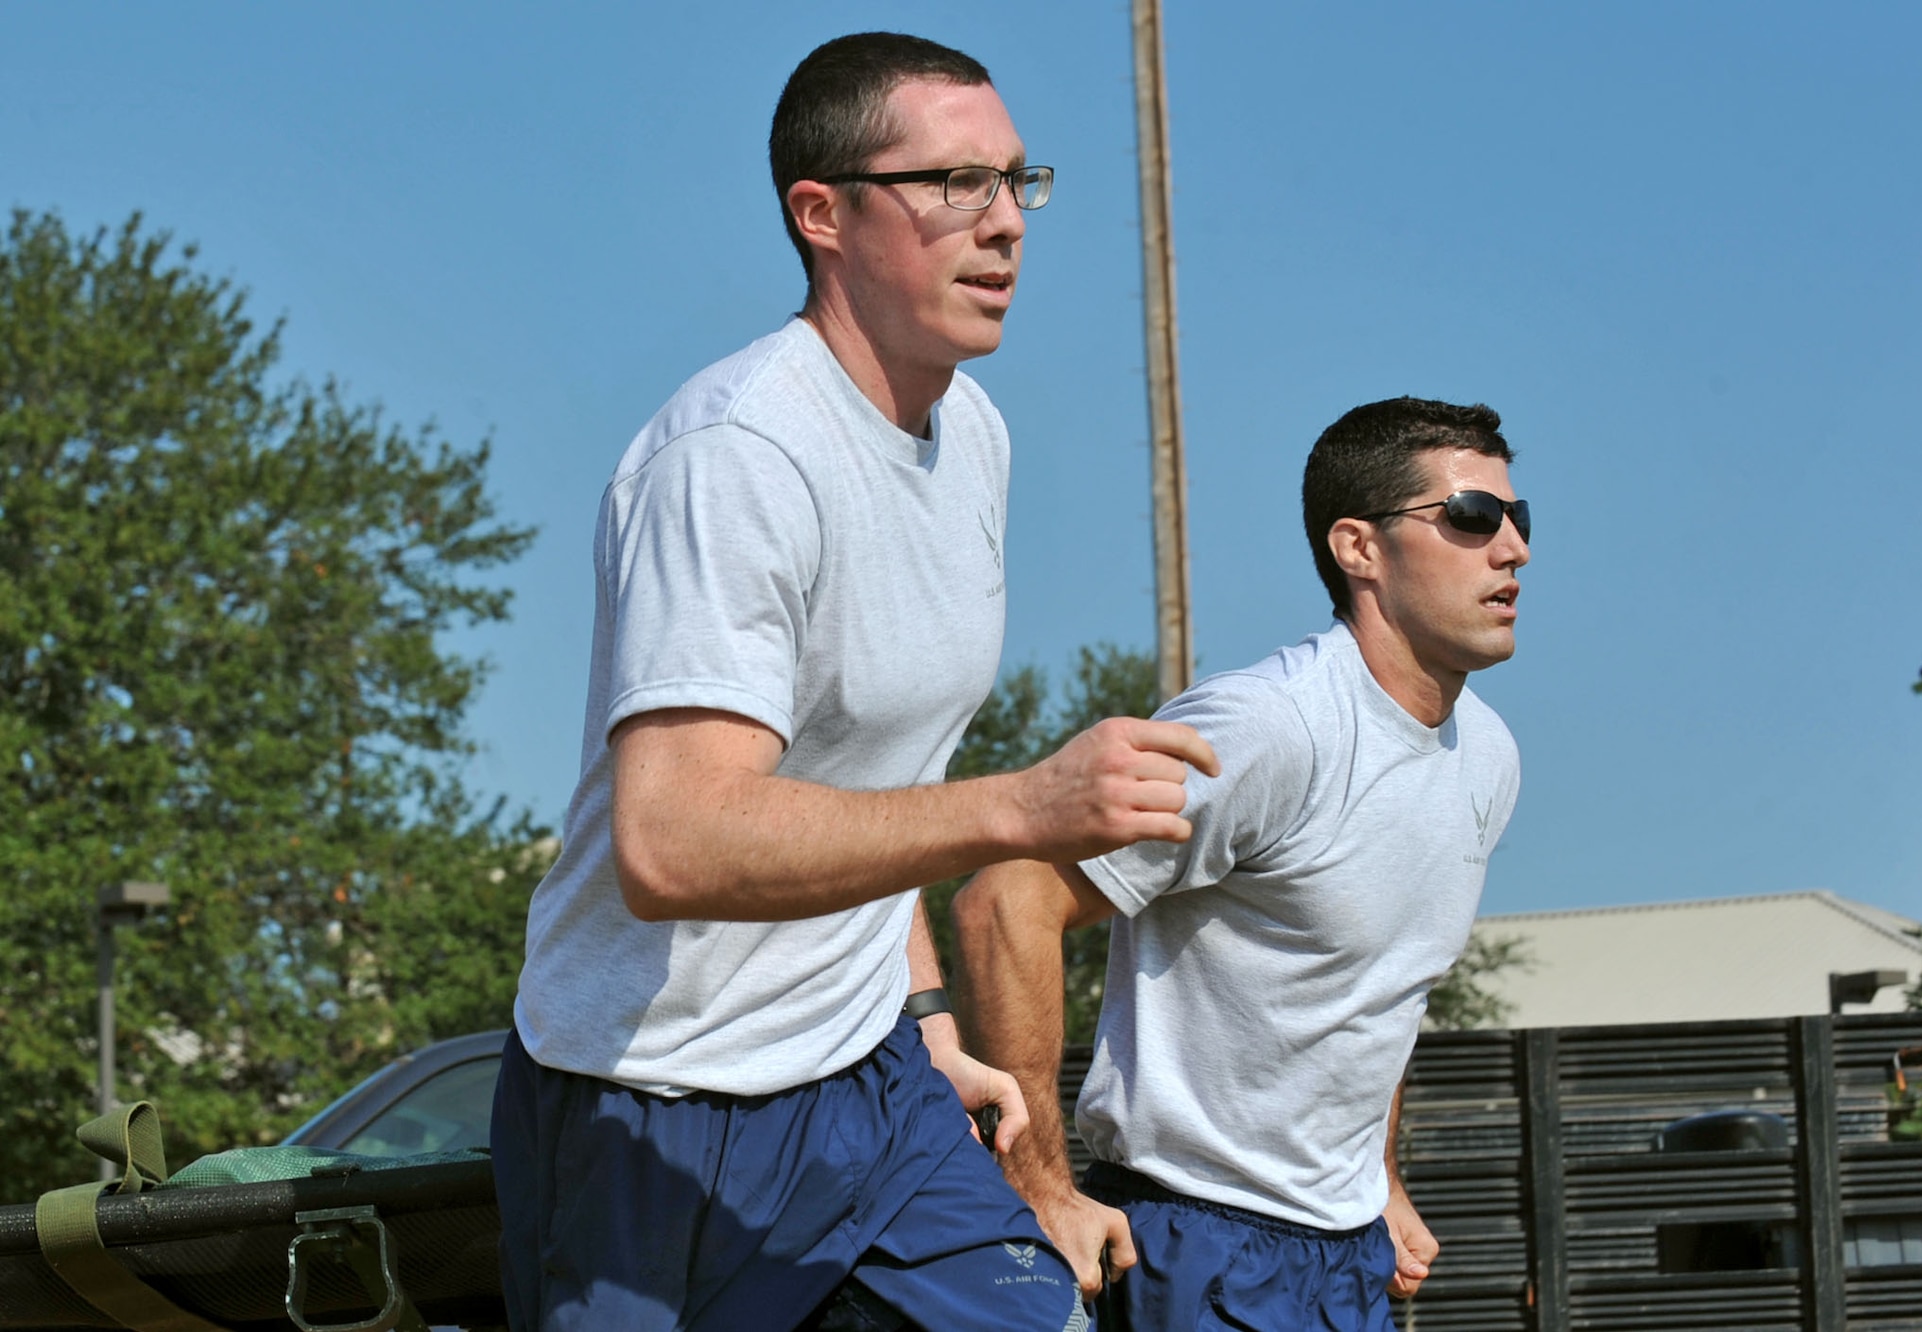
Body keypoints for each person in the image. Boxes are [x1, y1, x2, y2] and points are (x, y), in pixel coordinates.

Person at [488, 31, 1218, 1332]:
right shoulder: (736, 458)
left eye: (1015, 182)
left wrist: (930, 1022)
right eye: (949, 185)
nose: (1001, 225)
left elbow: (875, 783)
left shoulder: (971, 438)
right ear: (821, 214)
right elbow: (675, 838)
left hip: (869, 1083)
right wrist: (1023, 808)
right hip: (653, 1109)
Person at [954, 397, 1530, 1330]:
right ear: (1359, 549)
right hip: (1195, 1247)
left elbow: (1378, 995)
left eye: (1517, 518)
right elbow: (1003, 901)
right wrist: (1040, 1188)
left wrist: (1374, 1179)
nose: (1512, 549)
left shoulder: (1487, 757)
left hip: (1347, 1259)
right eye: (1471, 518)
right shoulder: (1268, 728)